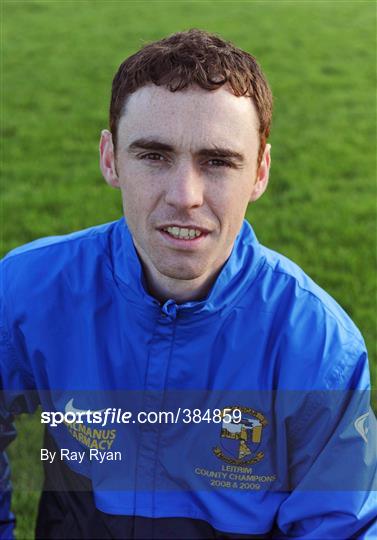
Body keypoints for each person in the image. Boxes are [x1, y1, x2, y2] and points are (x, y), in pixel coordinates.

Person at [0, 29, 376, 539]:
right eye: (153, 155)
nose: (185, 196)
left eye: (217, 161)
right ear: (110, 158)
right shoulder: (28, 290)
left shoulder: (318, 347)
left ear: (261, 171)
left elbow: (342, 529)